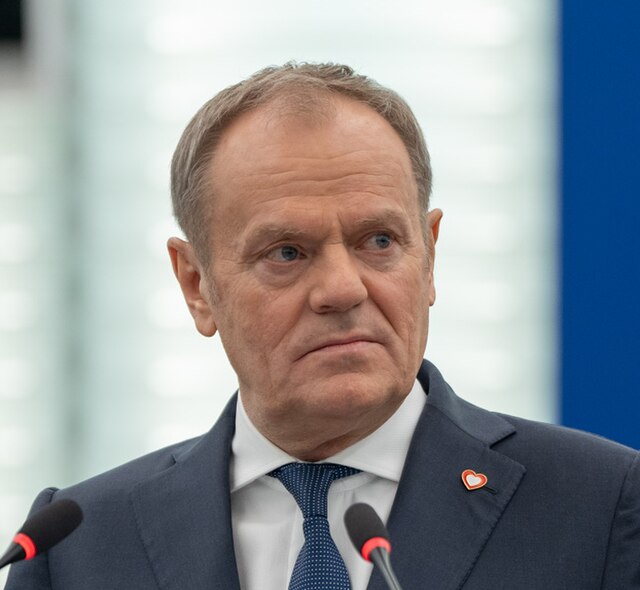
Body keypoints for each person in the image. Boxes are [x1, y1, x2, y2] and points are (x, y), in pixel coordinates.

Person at [5, 62, 639, 590]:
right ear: (197, 286)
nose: (343, 289)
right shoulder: (77, 547)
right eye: (286, 252)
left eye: (380, 241)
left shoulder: (601, 505)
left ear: (430, 257)